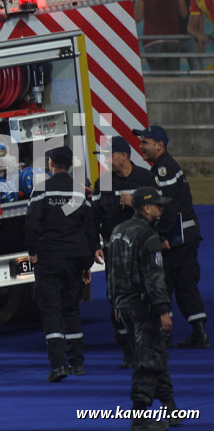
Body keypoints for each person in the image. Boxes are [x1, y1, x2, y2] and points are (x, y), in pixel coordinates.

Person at [107, 187, 184, 430]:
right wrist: (163, 309)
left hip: (124, 305)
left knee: (154, 353)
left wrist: (115, 301)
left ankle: (170, 408)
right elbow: (154, 277)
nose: (162, 208)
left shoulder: (118, 231)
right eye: (158, 205)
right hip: (144, 305)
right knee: (149, 360)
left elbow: (112, 271)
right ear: (147, 208)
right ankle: (139, 418)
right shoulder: (149, 237)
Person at [25, 146, 100, 382]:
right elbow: (90, 228)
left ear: (51, 164)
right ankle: (77, 363)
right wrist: (86, 263)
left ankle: (58, 366)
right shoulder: (79, 191)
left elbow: (31, 223)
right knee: (71, 309)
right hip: (74, 259)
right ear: (69, 165)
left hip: (49, 259)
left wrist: (33, 252)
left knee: (51, 311)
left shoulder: (42, 190)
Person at [133, 125, 209, 349]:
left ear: (160, 145)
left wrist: (164, 236)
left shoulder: (163, 169)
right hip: (189, 234)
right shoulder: (166, 166)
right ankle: (199, 331)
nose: (141, 146)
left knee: (162, 283)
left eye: (145, 142)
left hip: (176, 238)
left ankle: (162, 335)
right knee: (186, 284)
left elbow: (167, 206)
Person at [92, 136, 159, 368]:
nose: (106, 160)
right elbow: (94, 217)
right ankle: (128, 349)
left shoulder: (146, 178)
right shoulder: (103, 183)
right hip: (115, 253)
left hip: (141, 251)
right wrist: (95, 245)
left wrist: (136, 203)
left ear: (124, 156)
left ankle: (149, 348)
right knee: (117, 299)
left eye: (109, 155)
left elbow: (160, 212)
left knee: (145, 295)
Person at [162, 0, 200, 72]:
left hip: (187, 34)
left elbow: (194, 9)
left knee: (199, 73)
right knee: (173, 76)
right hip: (170, 37)